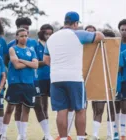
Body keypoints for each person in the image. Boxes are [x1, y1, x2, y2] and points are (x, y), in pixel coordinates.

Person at [43, 11, 104, 140]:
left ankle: (63, 138)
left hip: (55, 79)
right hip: (74, 78)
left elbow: (46, 60)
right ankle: (81, 138)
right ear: (76, 23)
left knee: (61, 111)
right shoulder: (79, 34)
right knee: (80, 109)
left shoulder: (51, 37)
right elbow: (100, 36)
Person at [7, 17, 47, 139]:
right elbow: (10, 63)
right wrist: (28, 64)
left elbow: (39, 62)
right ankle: (21, 135)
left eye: (28, 30)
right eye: (24, 29)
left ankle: (47, 134)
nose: (26, 34)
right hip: (17, 81)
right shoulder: (11, 46)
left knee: (38, 106)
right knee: (17, 107)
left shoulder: (34, 43)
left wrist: (27, 63)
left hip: (33, 80)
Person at [0, 28, 38, 140]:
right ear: (17, 37)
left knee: (26, 109)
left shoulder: (31, 50)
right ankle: (3, 134)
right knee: (10, 108)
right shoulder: (12, 49)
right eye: (21, 36)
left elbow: (35, 65)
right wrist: (29, 63)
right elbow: (16, 65)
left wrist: (23, 61)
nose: (24, 38)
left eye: (26, 36)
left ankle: (23, 135)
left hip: (28, 83)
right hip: (15, 83)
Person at [35, 24, 54, 140]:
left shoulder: (53, 44)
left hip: (53, 78)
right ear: (41, 33)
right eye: (46, 33)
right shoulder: (35, 45)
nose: (48, 36)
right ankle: (47, 134)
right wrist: (46, 61)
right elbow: (36, 62)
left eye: (50, 33)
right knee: (43, 106)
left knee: (58, 106)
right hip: (40, 78)